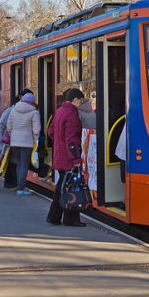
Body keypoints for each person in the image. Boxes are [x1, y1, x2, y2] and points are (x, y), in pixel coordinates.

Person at [46, 88, 86, 227]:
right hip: (68, 158)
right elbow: (72, 140)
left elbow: (51, 132)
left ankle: (54, 216)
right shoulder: (72, 115)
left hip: (60, 155)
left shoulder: (60, 111)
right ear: (75, 99)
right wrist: (76, 160)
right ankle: (71, 219)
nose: (81, 104)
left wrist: (59, 142)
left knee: (62, 187)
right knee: (71, 188)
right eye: (81, 101)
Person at [6, 91, 41, 196]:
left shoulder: (14, 110)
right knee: (24, 164)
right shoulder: (34, 112)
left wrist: (13, 135)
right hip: (27, 142)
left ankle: (19, 185)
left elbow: (9, 126)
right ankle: (21, 189)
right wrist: (36, 139)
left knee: (19, 163)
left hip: (15, 142)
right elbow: (36, 129)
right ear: (32, 102)